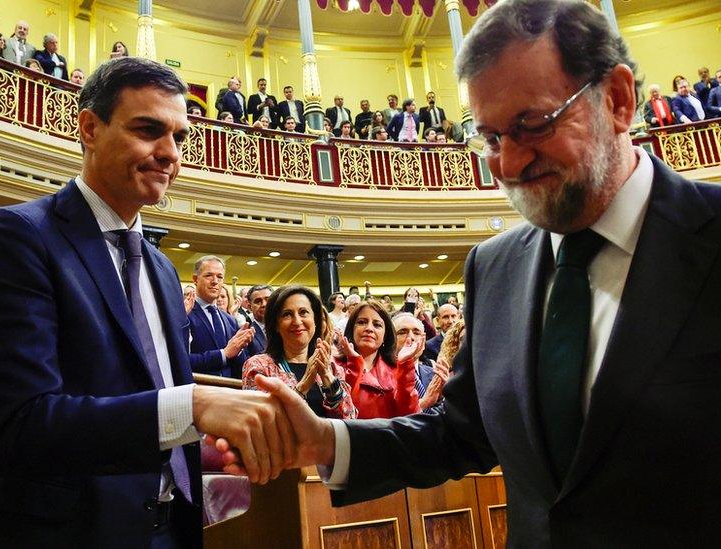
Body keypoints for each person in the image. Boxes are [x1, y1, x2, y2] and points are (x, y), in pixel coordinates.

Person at [219, 0, 721, 545]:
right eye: (490, 138)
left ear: (618, 101)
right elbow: (460, 433)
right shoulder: (495, 266)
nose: (508, 165)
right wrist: (325, 441)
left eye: (532, 126)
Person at [0, 57, 295, 548]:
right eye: (149, 130)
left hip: (168, 529)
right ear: (90, 128)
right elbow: (21, 428)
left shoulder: (158, 267)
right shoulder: (15, 237)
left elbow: (149, 401)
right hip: (58, 534)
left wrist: (221, 443)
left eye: (179, 138)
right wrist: (194, 406)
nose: (169, 154)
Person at [242, 285, 355, 420]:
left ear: (315, 321)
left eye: (303, 312)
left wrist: (327, 377)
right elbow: (263, 422)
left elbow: (349, 419)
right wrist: (303, 386)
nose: (297, 321)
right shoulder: (258, 366)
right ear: (276, 325)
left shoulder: (331, 366)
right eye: (287, 314)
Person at [333, 301, 421, 420]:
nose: (369, 328)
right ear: (351, 330)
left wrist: (405, 366)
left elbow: (410, 416)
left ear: (385, 336)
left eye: (377, 325)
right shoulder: (334, 366)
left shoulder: (397, 369)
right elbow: (340, 413)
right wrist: (355, 363)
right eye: (362, 322)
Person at [188, 255, 253, 379]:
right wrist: (223, 354)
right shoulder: (184, 314)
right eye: (209, 275)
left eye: (220, 277)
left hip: (229, 390)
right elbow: (181, 360)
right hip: (197, 391)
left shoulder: (230, 320)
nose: (215, 281)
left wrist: (240, 348)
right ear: (195, 279)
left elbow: (238, 366)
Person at [244, 284, 272, 358]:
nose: (264, 304)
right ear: (250, 307)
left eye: (268, 300)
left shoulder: (286, 329)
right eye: (258, 301)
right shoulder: (246, 335)